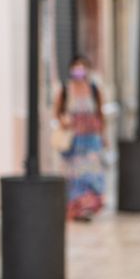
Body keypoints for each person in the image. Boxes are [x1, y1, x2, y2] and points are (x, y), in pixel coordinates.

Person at [56, 54, 107, 221]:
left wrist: (103, 135)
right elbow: (57, 112)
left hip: (91, 140)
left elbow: (100, 113)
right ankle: (75, 209)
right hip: (74, 142)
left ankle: (88, 207)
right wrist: (64, 121)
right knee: (74, 176)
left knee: (90, 175)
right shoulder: (65, 90)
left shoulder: (93, 89)